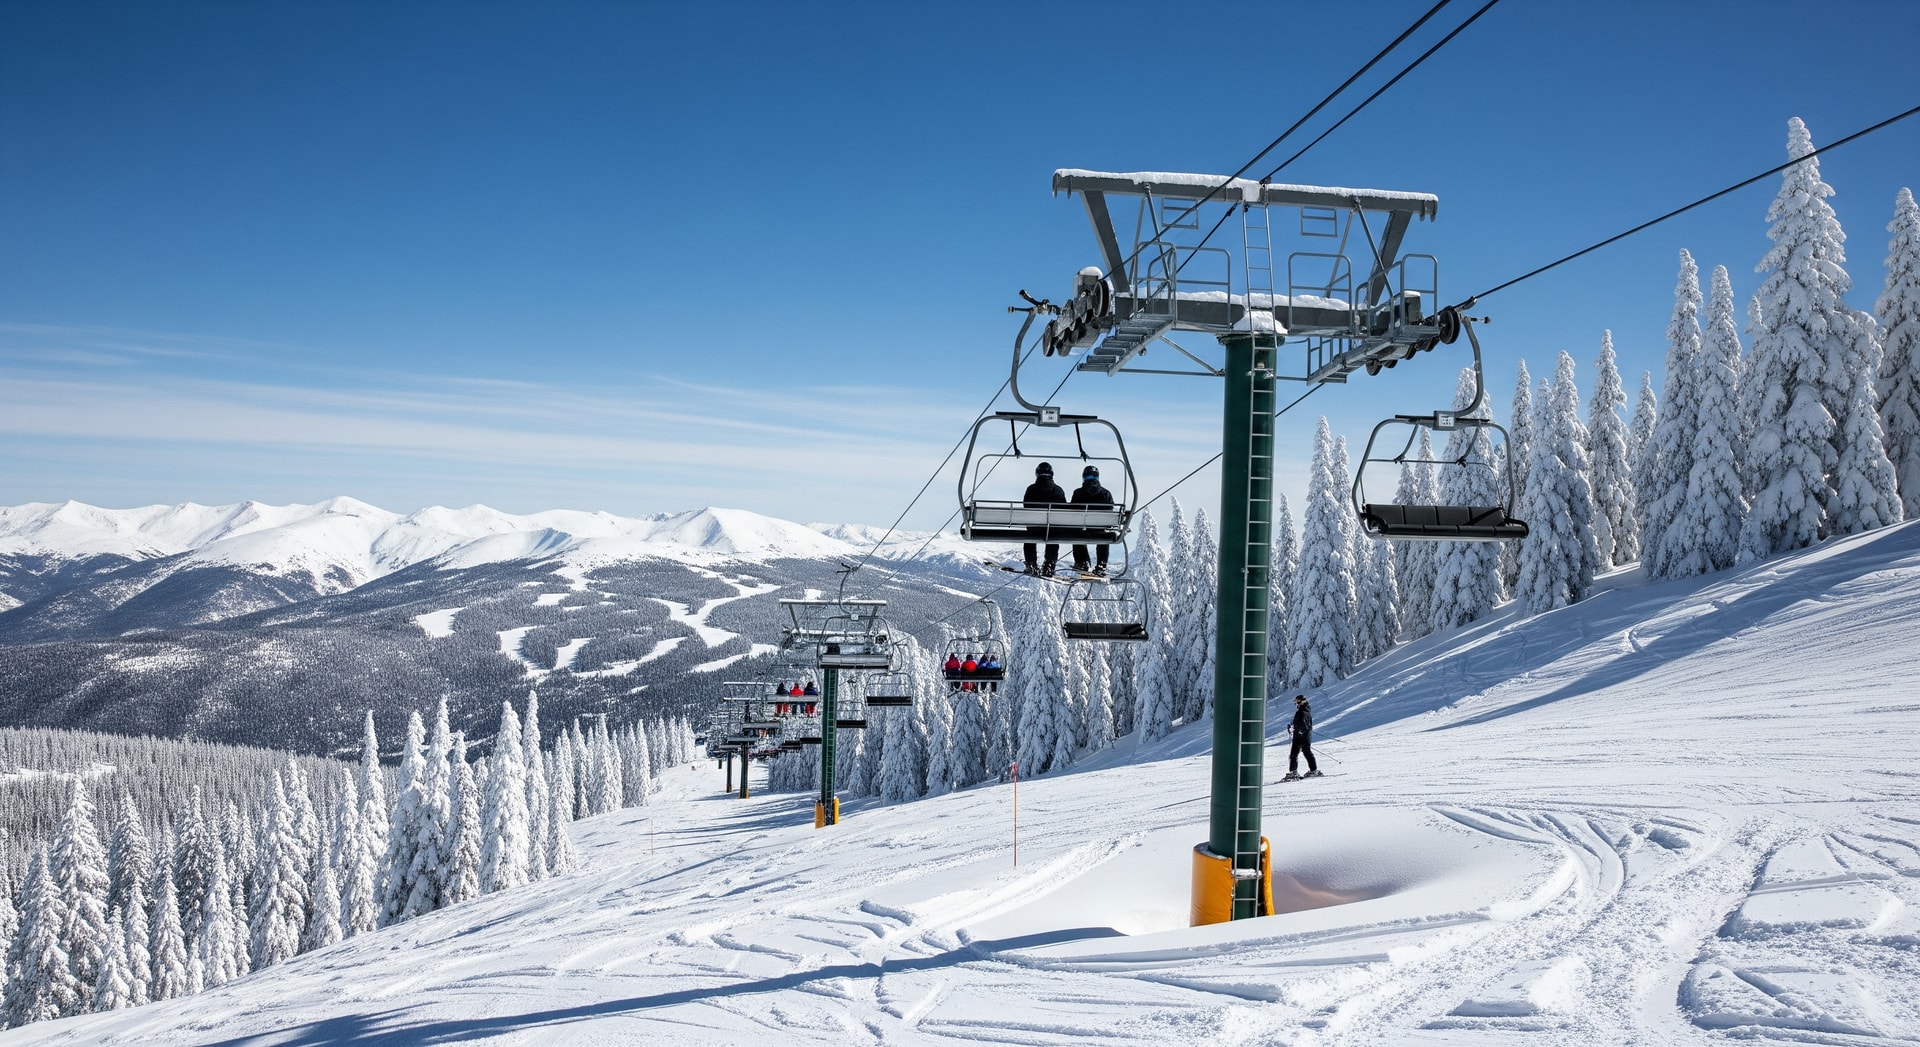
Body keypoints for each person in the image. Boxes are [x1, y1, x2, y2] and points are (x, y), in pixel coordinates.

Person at [1022, 462, 1067, 576]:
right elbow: (1064, 509)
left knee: (1029, 538)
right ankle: (1049, 564)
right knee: (1053, 536)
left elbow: (1026, 506)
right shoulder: (1058, 490)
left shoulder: (1031, 489)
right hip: (1052, 528)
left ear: (1037, 474)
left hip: (1035, 528)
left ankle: (1031, 563)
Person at [1070, 464, 1114, 575]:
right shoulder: (1106, 494)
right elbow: (1111, 511)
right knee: (1104, 537)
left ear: (1084, 478)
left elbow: (1071, 512)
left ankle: (1082, 562)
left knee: (1076, 536)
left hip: (1082, 531)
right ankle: (1101, 564)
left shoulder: (1078, 493)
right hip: (1100, 531)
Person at [1284, 694, 1322, 780]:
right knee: (1307, 752)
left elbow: (1302, 725)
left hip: (1300, 736)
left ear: (1303, 702)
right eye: (1296, 703)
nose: (1296, 704)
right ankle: (1314, 770)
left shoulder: (1301, 712)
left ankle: (1293, 772)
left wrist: (1294, 729)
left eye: (1298, 702)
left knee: (1294, 754)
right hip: (1305, 735)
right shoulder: (1306, 711)